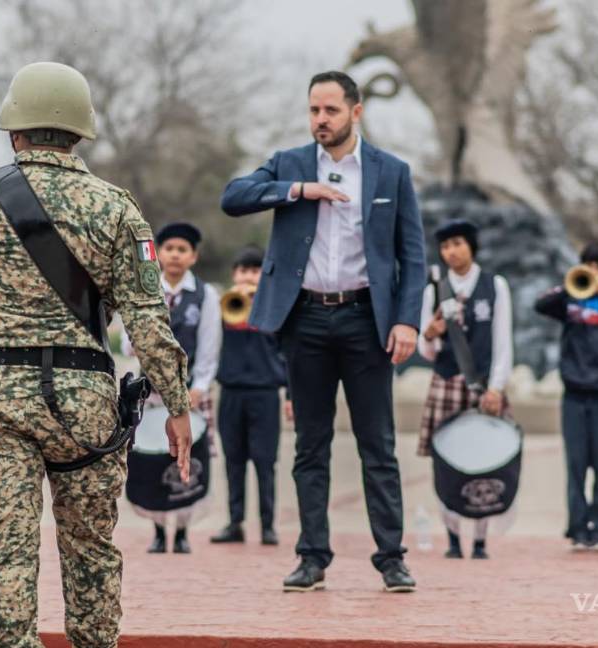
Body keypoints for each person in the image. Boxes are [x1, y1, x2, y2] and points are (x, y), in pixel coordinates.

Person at [0, 61, 192, 648]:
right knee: (91, 548)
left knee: (8, 552)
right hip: (84, 405)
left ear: (14, 130)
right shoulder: (118, 209)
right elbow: (148, 316)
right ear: (79, 132)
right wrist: (177, 403)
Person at [221, 70, 425, 593]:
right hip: (305, 319)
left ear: (356, 112)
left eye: (331, 110)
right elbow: (234, 196)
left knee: (376, 445)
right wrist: (297, 190)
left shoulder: (391, 171)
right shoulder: (289, 162)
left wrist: (406, 320)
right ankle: (312, 556)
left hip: (366, 320)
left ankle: (392, 558)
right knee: (310, 445)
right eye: (314, 110)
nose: (320, 120)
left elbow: (412, 256)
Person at [416, 219, 512, 560]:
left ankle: (481, 540)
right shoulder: (434, 290)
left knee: (487, 459)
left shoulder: (494, 286)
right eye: (444, 247)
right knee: (447, 463)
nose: (451, 252)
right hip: (445, 382)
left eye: (457, 243)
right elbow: (425, 352)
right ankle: (453, 538)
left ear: (471, 245)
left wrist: (497, 387)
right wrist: (430, 333)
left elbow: (503, 342)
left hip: (484, 385)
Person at [124, 222, 220, 554]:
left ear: (193, 256)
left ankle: (180, 533)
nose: (176, 255)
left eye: (183, 250)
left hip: (190, 390)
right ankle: (156, 528)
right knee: (152, 459)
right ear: (159, 254)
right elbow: (126, 341)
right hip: (150, 389)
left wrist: (201, 386)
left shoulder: (206, 295)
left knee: (186, 461)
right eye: (170, 249)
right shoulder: (145, 291)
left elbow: (210, 348)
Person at [534, 243, 598, 552]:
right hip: (574, 395)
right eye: (590, 265)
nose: (597, 270)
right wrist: (571, 286)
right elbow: (542, 304)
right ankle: (578, 526)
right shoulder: (572, 304)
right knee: (576, 464)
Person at [210, 245, 291, 547]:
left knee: (265, 461)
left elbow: (288, 354)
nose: (248, 276)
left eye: (255, 271)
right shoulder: (223, 305)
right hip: (231, 391)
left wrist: (291, 395)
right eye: (243, 270)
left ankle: (268, 525)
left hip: (266, 392)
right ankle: (235, 522)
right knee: (234, 460)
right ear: (234, 274)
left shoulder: (275, 307)